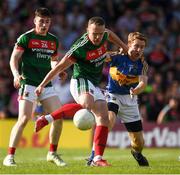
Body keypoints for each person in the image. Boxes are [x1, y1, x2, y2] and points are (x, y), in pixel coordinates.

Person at [34, 16, 128, 166]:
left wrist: (124, 46)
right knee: (87, 104)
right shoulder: (79, 48)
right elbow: (59, 67)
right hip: (80, 80)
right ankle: (46, 119)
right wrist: (42, 84)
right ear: (87, 31)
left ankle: (96, 159)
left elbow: (109, 33)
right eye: (94, 33)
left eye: (100, 33)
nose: (97, 37)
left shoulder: (104, 34)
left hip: (94, 84)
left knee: (104, 117)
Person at [3, 7, 66, 167]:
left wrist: (58, 70)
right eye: (41, 21)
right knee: (24, 119)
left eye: (47, 22)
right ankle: (9, 156)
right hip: (29, 83)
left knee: (58, 118)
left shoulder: (53, 40)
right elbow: (13, 59)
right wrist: (16, 75)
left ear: (50, 22)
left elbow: (53, 60)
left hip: (46, 85)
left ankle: (52, 153)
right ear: (35, 21)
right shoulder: (26, 38)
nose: (44, 24)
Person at [87, 32, 149, 166]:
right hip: (112, 95)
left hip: (130, 100)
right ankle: (94, 156)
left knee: (138, 143)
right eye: (136, 46)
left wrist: (136, 89)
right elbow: (102, 57)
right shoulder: (118, 56)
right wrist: (104, 54)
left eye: (142, 47)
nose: (139, 50)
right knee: (108, 120)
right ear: (128, 45)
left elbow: (143, 83)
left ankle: (136, 153)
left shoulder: (142, 64)